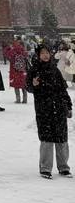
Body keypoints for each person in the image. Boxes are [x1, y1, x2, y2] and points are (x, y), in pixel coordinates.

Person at [27, 44, 72, 179]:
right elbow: (28, 86)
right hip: (44, 109)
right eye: (42, 53)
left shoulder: (55, 70)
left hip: (59, 109)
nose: (45, 55)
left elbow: (63, 90)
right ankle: (45, 168)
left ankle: (63, 167)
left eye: (47, 53)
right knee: (47, 140)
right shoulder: (34, 69)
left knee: (61, 139)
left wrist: (68, 105)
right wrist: (33, 84)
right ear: (38, 55)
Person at [4, 36, 29, 103]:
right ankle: (25, 99)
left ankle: (18, 99)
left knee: (16, 85)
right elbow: (26, 56)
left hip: (15, 71)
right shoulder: (23, 49)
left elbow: (6, 55)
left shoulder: (13, 50)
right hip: (22, 71)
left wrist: (8, 48)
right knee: (23, 85)